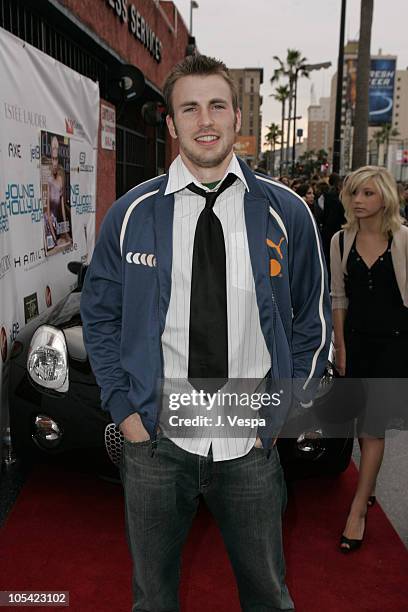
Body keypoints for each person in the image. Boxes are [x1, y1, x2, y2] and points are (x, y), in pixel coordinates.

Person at [81, 54, 330, 611]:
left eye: (217, 105)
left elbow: (313, 320)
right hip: (156, 442)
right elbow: (99, 317)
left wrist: (284, 416)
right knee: (152, 598)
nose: (205, 121)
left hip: (250, 442)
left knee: (268, 595)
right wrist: (125, 411)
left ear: (238, 117)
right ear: (170, 124)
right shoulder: (129, 214)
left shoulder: (287, 213)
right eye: (189, 109)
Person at [330, 165, 408, 553]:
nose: (359, 201)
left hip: (395, 346)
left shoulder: (404, 240)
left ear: (385, 198)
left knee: (372, 429)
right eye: (354, 194)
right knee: (364, 425)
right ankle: (371, 485)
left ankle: (357, 511)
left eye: (367, 194)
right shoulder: (341, 241)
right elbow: (338, 297)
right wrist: (340, 345)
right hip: (357, 345)